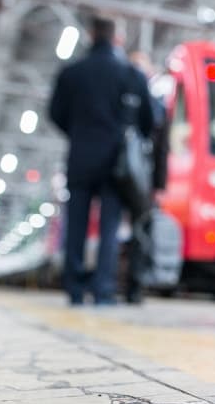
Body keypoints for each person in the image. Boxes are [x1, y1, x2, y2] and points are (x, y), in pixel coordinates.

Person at [49, 15, 153, 305]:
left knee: (76, 224)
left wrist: (79, 132)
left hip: (80, 157)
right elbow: (148, 120)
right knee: (109, 226)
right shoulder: (131, 74)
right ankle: (103, 289)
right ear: (116, 38)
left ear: (91, 35)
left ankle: (74, 288)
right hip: (116, 163)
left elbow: (55, 113)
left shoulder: (72, 72)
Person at [125, 51, 169, 304]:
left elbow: (163, 148)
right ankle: (129, 285)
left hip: (139, 177)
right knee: (137, 231)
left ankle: (133, 283)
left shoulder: (157, 105)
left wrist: (160, 184)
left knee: (140, 232)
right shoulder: (156, 106)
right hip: (132, 175)